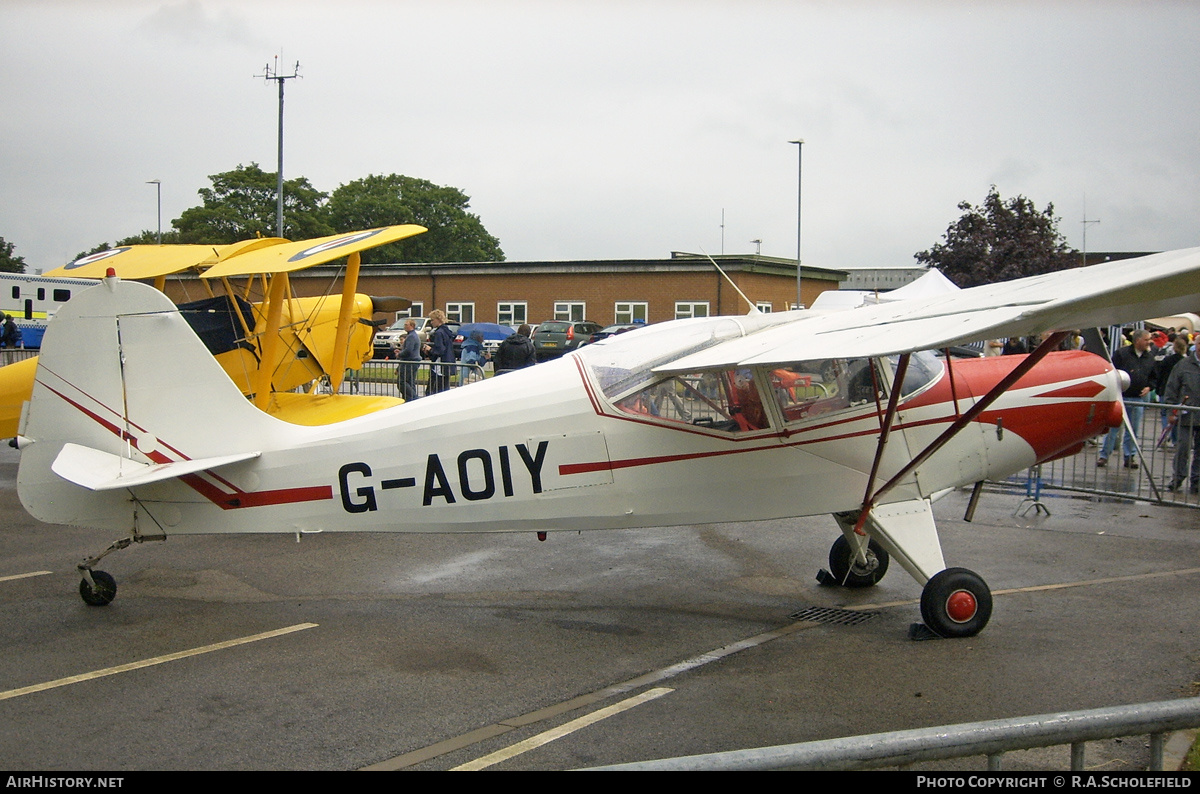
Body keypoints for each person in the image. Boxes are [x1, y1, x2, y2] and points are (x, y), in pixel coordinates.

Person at [1099, 328, 1156, 469]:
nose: (1149, 342)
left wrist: (1149, 387)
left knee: (1133, 430)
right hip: (1120, 398)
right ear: (1137, 340)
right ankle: (1104, 455)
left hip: (1137, 398)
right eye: (1146, 339)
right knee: (1112, 428)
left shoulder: (1150, 357)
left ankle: (1129, 456)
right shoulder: (1121, 354)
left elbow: (1154, 377)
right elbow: (1111, 371)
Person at [1163, 344, 1200, 494]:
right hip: (1186, 416)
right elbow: (1172, 388)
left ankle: (1197, 480)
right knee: (1183, 447)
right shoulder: (1183, 365)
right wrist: (1171, 411)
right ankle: (1178, 477)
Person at [423, 310, 456, 394]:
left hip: (439, 365)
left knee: (433, 391)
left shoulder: (438, 333)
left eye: (432, 320)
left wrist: (429, 349)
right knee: (444, 389)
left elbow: (439, 350)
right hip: (447, 364)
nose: (431, 322)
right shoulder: (447, 331)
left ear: (438, 319)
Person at [395, 318, 422, 401]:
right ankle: (410, 399)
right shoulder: (413, 336)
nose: (405, 326)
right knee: (410, 382)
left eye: (406, 325)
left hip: (409, 362)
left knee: (402, 382)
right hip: (413, 361)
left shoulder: (411, 336)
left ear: (412, 326)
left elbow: (409, 350)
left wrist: (399, 354)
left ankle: (413, 398)